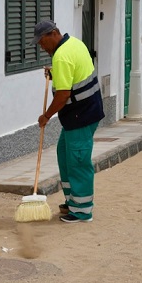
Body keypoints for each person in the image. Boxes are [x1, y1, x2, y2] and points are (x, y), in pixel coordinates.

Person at [34, 20, 105, 223]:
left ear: (53, 33)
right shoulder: (73, 43)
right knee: (64, 154)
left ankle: (82, 210)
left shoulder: (61, 57)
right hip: (83, 113)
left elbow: (63, 94)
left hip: (80, 114)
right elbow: (73, 74)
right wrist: (55, 73)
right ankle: (72, 200)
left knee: (77, 160)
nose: (42, 47)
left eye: (42, 42)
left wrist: (46, 116)